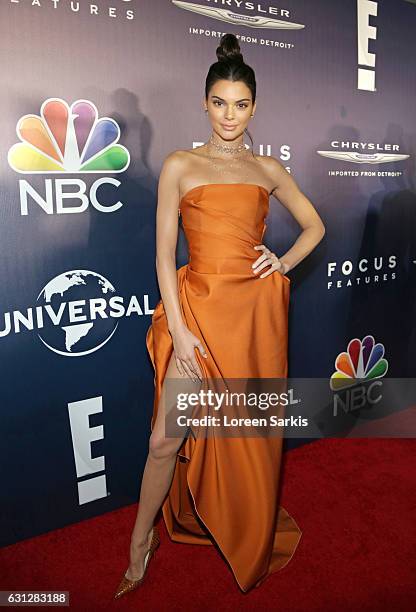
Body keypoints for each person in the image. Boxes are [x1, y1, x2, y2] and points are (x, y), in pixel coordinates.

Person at [114, 32, 325, 599]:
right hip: (197, 316)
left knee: (241, 434)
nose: (230, 115)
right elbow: (163, 254)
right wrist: (179, 331)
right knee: (164, 440)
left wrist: (279, 263)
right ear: (205, 104)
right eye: (219, 103)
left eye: (241, 105)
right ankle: (141, 543)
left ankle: (236, 518)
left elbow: (315, 227)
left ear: (254, 107)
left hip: (250, 321)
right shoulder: (180, 165)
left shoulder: (269, 169)